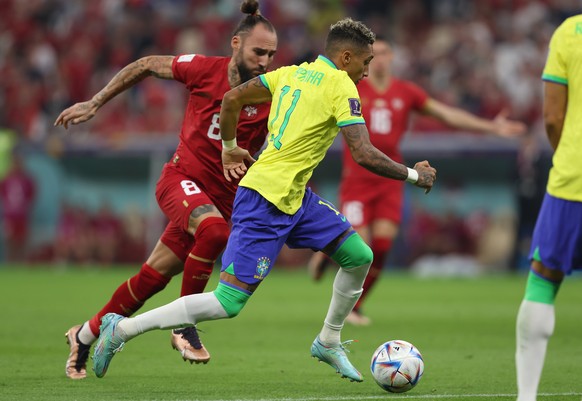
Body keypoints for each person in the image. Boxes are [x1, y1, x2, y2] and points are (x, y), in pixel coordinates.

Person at [91, 17, 436, 382]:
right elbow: (363, 152)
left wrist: (228, 148)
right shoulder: (341, 87)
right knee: (227, 303)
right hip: (264, 199)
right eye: (365, 62)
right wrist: (414, 175)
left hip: (295, 197)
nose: (367, 72)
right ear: (347, 57)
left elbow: (233, 97)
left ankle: (328, 340)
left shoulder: (291, 73)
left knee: (359, 255)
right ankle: (122, 329)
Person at [54, 0, 277, 379]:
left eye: (271, 54)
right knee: (214, 232)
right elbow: (145, 65)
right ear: (236, 43)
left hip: (218, 200)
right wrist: (95, 102)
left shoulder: (272, 91)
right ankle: (183, 326)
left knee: (151, 279)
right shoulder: (203, 70)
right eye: (259, 51)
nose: (265, 61)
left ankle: (85, 335)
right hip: (180, 181)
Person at [308, 38, 527, 326]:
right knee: (361, 245)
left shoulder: (406, 92)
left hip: (390, 179)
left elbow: (446, 114)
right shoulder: (352, 88)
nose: (381, 59)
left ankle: (355, 306)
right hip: (357, 181)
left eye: (386, 53)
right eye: (376, 55)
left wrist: (491, 127)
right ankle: (332, 249)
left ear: (392, 57)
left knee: (382, 247)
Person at [515, 14, 582, 401]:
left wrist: (570, 154)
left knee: (544, 276)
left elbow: (553, 117)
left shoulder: (570, 32)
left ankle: (527, 396)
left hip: (573, 180)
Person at [0, 153, 36, 262]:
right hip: (10, 216)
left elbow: (31, 196)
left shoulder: (27, 179)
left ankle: (21, 262)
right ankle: (10, 262)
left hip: (22, 215)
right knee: (10, 241)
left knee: (22, 240)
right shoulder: (6, 179)